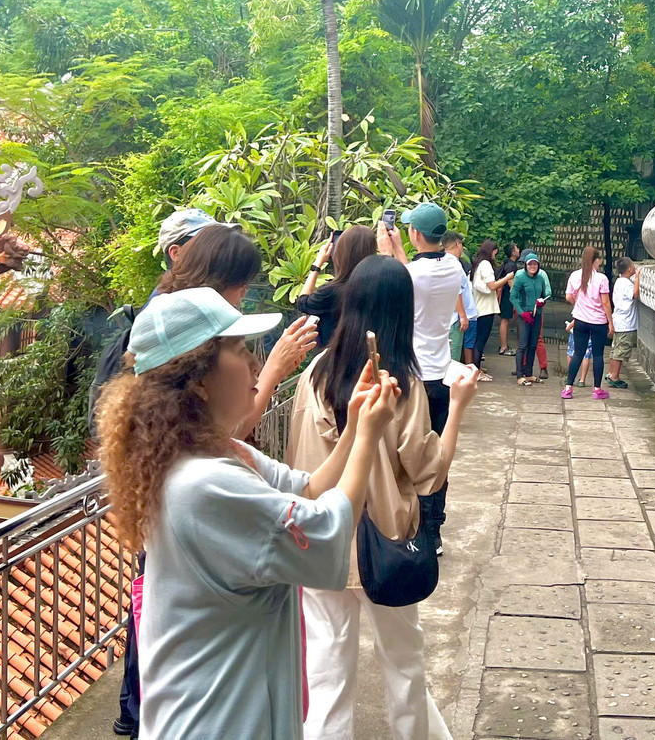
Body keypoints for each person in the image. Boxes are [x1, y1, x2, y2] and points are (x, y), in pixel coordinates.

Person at [95, 287, 399, 740]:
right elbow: (328, 532)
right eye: (238, 349)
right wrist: (371, 437)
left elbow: (310, 489)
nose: (256, 364)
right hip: (214, 722)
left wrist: (354, 426)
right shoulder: (203, 484)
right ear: (198, 376)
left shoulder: (216, 454)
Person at [288, 256, 479, 740]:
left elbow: (296, 458)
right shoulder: (401, 383)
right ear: (401, 310)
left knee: (327, 671)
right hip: (385, 541)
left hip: (320, 539)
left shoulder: (315, 374)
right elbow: (429, 472)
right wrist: (456, 408)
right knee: (404, 664)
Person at [99, 206, 217, 740]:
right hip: (167, 477)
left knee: (158, 597)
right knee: (157, 600)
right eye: (204, 244)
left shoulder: (188, 306)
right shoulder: (166, 314)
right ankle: (138, 712)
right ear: (176, 253)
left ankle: (138, 712)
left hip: (167, 478)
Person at [157, 223, 319, 437]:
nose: (244, 293)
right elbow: (226, 435)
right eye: (240, 284)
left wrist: (278, 370)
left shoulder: (185, 317)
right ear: (214, 280)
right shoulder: (180, 331)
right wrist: (274, 369)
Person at [378, 202, 464, 553]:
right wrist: (400, 249)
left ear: (415, 233)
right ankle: (434, 529)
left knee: (409, 455)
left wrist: (387, 252)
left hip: (414, 377)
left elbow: (402, 280)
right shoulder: (455, 266)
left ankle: (414, 524)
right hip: (442, 374)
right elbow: (413, 273)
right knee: (438, 454)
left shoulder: (411, 274)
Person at [297, 225, 379, 350]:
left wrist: (317, 264)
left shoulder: (331, 291)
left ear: (341, 253)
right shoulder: (380, 286)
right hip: (370, 355)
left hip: (333, 359)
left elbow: (303, 302)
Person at [564, 245, 613, 400]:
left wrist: (578, 304)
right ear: (596, 261)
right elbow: (606, 303)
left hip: (580, 320)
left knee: (578, 353)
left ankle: (568, 388)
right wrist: (610, 322)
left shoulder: (575, 276)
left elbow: (568, 297)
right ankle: (597, 389)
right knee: (598, 354)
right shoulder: (601, 278)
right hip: (598, 322)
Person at [510, 253, 551, 385]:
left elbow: (545, 295)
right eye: (530, 264)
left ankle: (529, 373)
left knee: (533, 345)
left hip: (536, 315)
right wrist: (522, 313)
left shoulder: (540, 278)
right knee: (523, 345)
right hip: (524, 316)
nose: (532, 266)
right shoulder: (520, 277)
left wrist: (541, 302)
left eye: (535, 264)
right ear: (526, 265)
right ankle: (520, 375)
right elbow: (513, 297)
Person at [469, 239, 510, 369]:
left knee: (477, 340)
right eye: (495, 253)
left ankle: (476, 368)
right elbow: (492, 285)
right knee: (481, 341)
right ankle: (477, 370)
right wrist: (507, 278)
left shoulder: (478, 263)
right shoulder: (486, 264)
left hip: (478, 307)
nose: (495, 256)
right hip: (485, 308)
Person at [442, 231, 478, 372]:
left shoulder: (442, 261)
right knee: (454, 355)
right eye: (461, 244)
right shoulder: (454, 265)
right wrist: (463, 316)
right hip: (455, 317)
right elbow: (457, 291)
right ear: (457, 244)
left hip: (448, 316)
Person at [607, 256, 640, 389]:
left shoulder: (620, 281)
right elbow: (635, 294)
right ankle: (614, 376)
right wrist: (638, 278)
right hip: (625, 323)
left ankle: (612, 374)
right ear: (630, 269)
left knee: (616, 350)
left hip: (620, 321)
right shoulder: (626, 284)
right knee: (620, 351)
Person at [495, 243, 520, 355]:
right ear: (513, 252)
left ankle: (503, 345)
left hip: (505, 295)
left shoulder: (507, 263)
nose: (518, 250)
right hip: (507, 296)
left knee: (505, 320)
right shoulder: (511, 265)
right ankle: (503, 347)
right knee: (505, 320)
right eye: (517, 248)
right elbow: (511, 283)